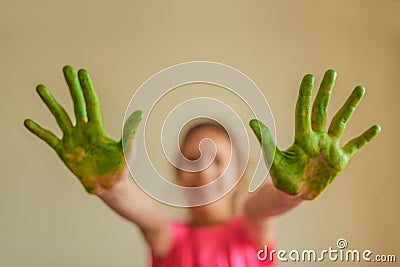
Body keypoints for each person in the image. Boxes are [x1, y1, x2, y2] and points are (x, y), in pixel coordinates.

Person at [24, 66, 381, 266]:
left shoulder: (250, 232)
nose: (205, 171)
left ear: (242, 174)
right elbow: (141, 211)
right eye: (192, 160)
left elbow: (263, 207)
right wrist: (111, 184)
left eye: (219, 160)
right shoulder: (169, 239)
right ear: (178, 174)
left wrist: (297, 191)